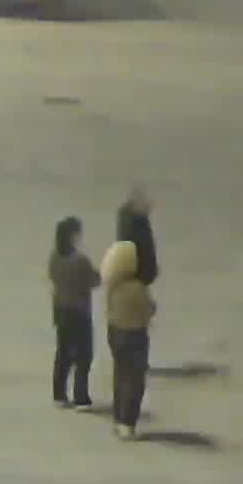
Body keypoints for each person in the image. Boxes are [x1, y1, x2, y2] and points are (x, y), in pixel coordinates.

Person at [100, 234, 154, 438]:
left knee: (120, 376)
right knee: (134, 381)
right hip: (134, 336)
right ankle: (127, 423)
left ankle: (118, 418)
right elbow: (148, 309)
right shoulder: (137, 288)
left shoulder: (113, 285)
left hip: (115, 332)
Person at [47, 216, 99, 409]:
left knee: (63, 353)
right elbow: (94, 280)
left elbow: (52, 276)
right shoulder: (80, 261)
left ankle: (59, 394)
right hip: (79, 311)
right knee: (84, 355)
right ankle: (80, 396)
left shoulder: (55, 256)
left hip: (60, 309)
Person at [118, 186, 160, 287]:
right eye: (147, 202)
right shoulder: (134, 226)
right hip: (136, 281)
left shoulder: (136, 219)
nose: (151, 205)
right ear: (137, 204)